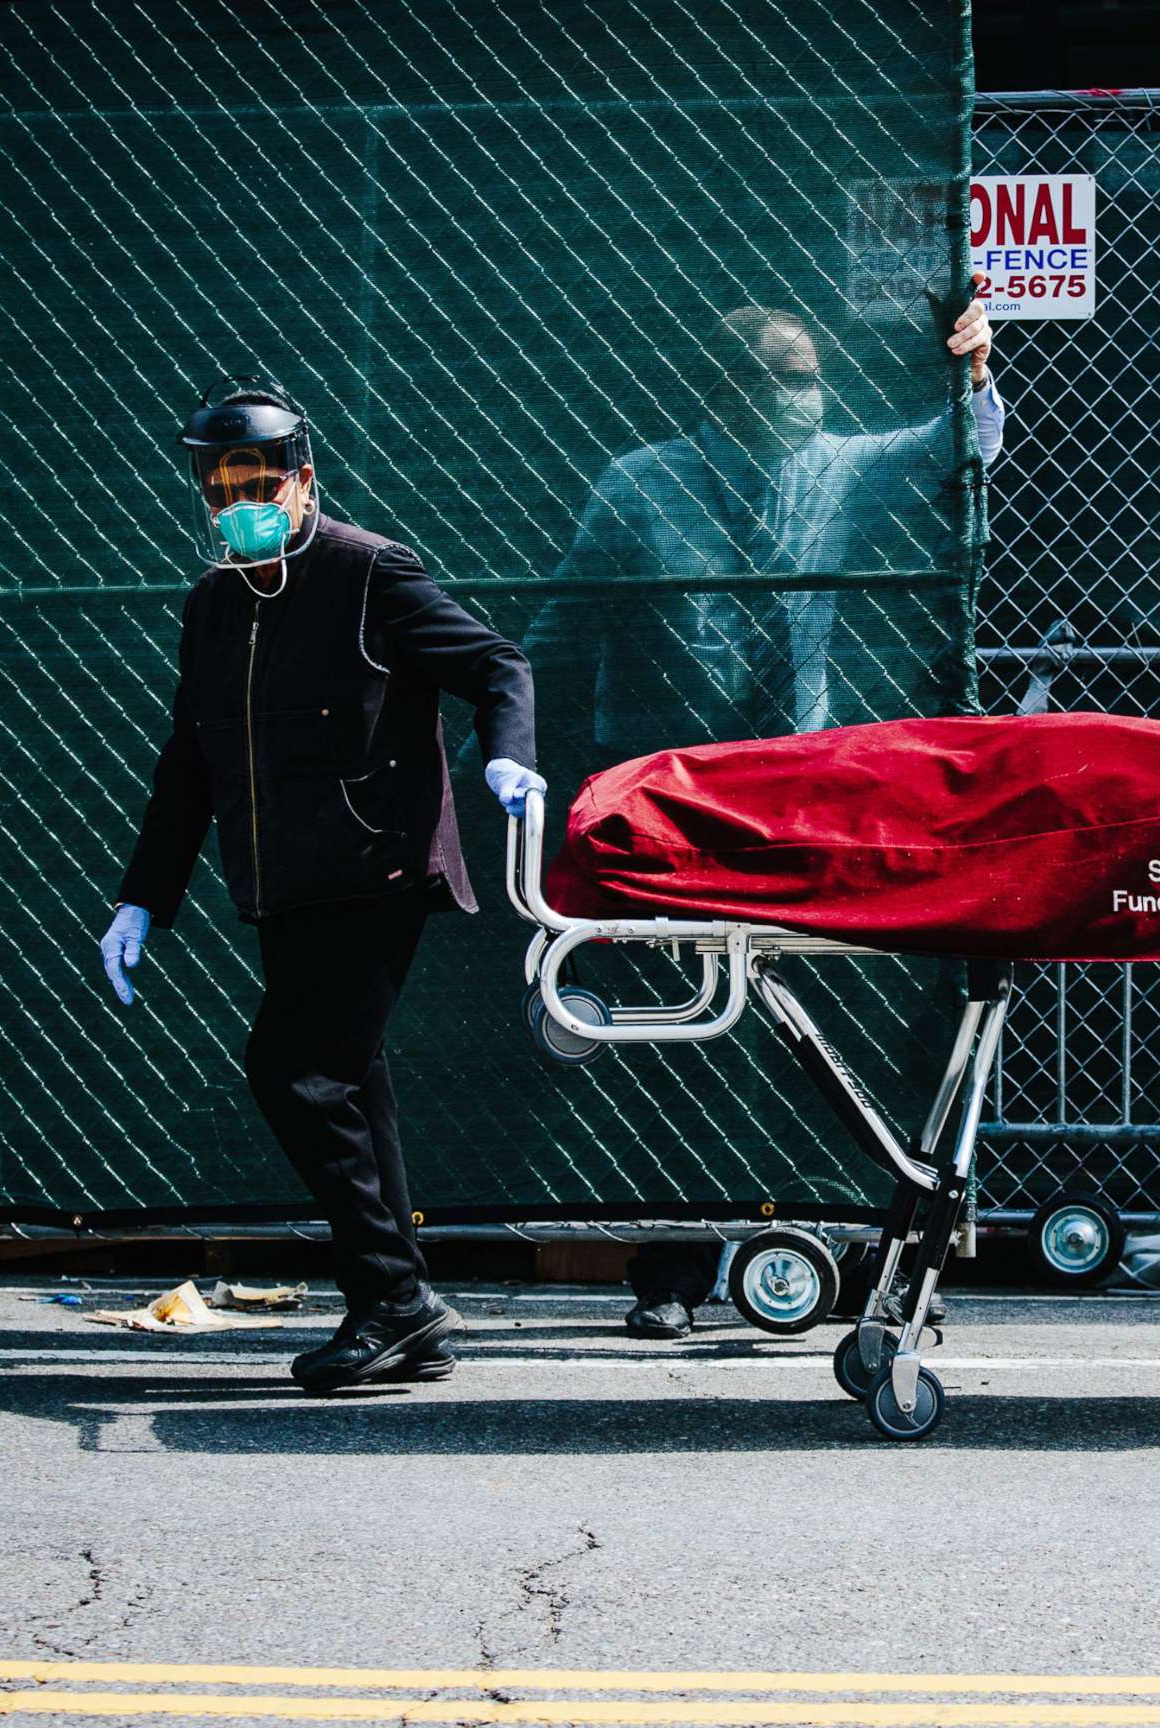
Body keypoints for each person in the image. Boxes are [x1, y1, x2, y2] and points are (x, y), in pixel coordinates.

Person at [529, 283, 1005, 1339]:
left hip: (790, 792)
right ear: (729, 390)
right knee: (681, 1031)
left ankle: (818, 1238)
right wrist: (506, 750)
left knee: (806, 1018)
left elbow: (954, 451)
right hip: (669, 791)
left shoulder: (837, 467)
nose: (811, 397)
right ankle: (672, 1274)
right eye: (791, 379)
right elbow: (567, 626)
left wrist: (972, 367)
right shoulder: (642, 486)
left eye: (816, 377)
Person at [99, 376, 545, 1394]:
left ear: (306, 480)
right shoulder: (214, 603)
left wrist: (507, 753)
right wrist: (142, 899)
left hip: (376, 865)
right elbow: (191, 764)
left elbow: (496, 662)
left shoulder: (370, 569)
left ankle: (390, 1298)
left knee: (292, 1069)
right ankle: (407, 1308)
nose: (238, 502)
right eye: (220, 486)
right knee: (348, 1079)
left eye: (258, 481)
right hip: (283, 881)